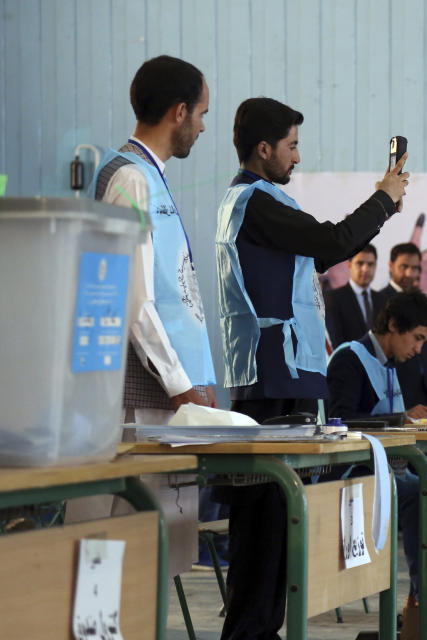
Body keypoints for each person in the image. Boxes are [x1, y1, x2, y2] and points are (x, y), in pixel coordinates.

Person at [214, 96, 408, 639]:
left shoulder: (265, 202)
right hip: (273, 378)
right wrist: (383, 202)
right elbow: (331, 241)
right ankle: (251, 631)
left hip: (285, 373)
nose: (298, 157)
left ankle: (261, 627)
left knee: (277, 522)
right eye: (292, 146)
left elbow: (321, 252)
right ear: (264, 149)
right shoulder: (253, 201)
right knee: (266, 521)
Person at [79, 54, 216, 577]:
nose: (203, 126)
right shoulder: (131, 180)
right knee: (113, 558)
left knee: (153, 562)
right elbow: (134, 301)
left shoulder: (148, 178)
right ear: (179, 112)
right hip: (142, 400)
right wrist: (182, 386)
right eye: (202, 113)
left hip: (170, 397)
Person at [326, 291, 427, 640]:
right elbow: (342, 420)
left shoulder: (391, 366)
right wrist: (403, 418)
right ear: (394, 326)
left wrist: (413, 418)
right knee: (421, 490)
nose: (419, 349)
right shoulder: (350, 358)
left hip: (385, 471)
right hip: (353, 474)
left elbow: (394, 420)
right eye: (417, 338)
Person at [378, 243, 427, 420]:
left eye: (415, 268)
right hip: (399, 390)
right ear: (391, 266)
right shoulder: (379, 301)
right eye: (404, 267)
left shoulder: (424, 303)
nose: (410, 274)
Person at [324, 244, 386, 347]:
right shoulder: (334, 299)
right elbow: (335, 340)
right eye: (360, 263)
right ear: (349, 265)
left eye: (370, 264)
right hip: (347, 359)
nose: (365, 269)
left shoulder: (383, 299)